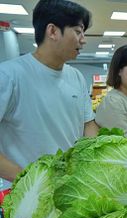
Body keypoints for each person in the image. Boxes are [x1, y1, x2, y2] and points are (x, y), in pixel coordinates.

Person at [0, 0, 99, 182]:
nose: (83, 40)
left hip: (68, 185)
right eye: (78, 31)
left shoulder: (76, 77)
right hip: (23, 192)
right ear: (52, 31)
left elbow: (88, 124)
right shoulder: (8, 76)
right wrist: (31, 180)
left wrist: (96, 157)